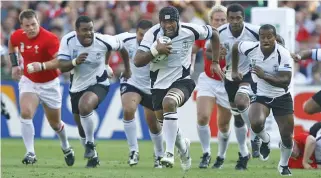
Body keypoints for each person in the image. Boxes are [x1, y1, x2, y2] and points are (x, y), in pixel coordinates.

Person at [133, 6, 220, 171]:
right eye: (165, 22)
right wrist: (154, 50)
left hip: (182, 80)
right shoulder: (152, 34)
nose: (168, 25)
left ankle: (169, 153)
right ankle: (183, 147)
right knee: (164, 120)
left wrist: (215, 61)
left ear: (178, 20)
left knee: (169, 102)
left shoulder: (190, 30)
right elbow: (137, 61)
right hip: (158, 84)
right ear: (160, 22)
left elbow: (214, 33)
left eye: (172, 21)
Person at [57, 15, 131, 168]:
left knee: (85, 106)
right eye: (84, 30)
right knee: (80, 126)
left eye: (91, 29)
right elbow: (62, 66)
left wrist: (126, 69)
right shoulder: (68, 41)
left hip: (99, 82)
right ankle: (93, 157)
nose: (89, 33)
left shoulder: (103, 40)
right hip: (76, 86)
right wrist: (74, 62)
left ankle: (90, 144)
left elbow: (121, 47)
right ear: (76, 31)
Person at [8, 9, 73, 166]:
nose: (31, 28)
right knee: (25, 112)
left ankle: (66, 146)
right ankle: (30, 152)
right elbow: (12, 44)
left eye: (33, 24)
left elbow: (59, 61)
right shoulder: (17, 35)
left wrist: (42, 66)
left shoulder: (49, 39)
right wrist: (15, 66)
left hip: (49, 84)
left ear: (38, 22)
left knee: (55, 124)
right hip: (29, 81)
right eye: (27, 25)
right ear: (22, 25)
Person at [232, 24, 294, 175]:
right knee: (256, 123)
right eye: (262, 37)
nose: (265, 40)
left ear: (275, 38)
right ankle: (265, 140)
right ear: (258, 37)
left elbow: (286, 80)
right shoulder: (251, 48)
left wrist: (264, 75)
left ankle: (283, 165)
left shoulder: (283, 54)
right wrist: (234, 69)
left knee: (286, 136)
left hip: (281, 96)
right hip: (261, 95)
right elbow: (235, 47)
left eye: (269, 37)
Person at [215, 3, 261, 169]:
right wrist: (216, 57)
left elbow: (276, 39)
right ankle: (243, 154)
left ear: (243, 18)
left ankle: (256, 135)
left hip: (250, 73)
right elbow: (208, 51)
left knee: (241, 102)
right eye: (232, 18)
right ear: (227, 19)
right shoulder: (219, 33)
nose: (235, 21)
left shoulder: (254, 31)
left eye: (238, 18)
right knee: (237, 116)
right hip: (229, 76)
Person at [113, 20, 165, 167]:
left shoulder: (160, 44)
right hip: (132, 82)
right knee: (128, 110)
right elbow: (107, 43)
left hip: (152, 87)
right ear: (136, 32)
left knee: (153, 124)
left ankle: (159, 154)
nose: (143, 38)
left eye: (146, 35)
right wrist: (106, 66)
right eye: (140, 34)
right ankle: (133, 151)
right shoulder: (126, 39)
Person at [194, 5, 232, 169]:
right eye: (216, 19)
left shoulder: (235, 36)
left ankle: (221, 156)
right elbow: (191, 48)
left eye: (223, 19)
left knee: (223, 125)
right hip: (208, 79)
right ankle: (206, 153)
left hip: (227, 82)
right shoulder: (205, 34)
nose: (220, 22)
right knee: (202, 117)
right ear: (211, 21)